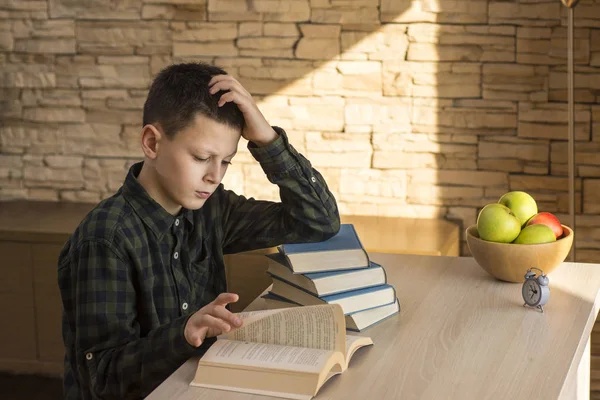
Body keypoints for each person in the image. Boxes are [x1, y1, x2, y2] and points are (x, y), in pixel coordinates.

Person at [57, 62, 340, 399]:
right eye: (202, 157)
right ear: (152, 142)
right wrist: (184, 334)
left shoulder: (212, 208)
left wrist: (267, 138)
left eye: (225, 161)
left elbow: (318, 221)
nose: (214, 176)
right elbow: (101, 380)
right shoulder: (105, 240)